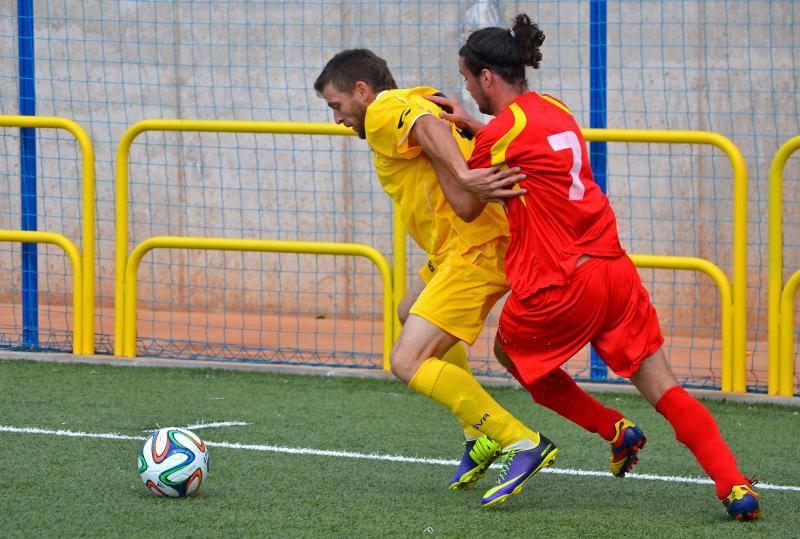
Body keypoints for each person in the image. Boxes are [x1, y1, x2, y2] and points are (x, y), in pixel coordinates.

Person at [428, 14, 762, 521]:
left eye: (467, 80)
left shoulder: (499, 134)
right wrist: (473, 126)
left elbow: (466, 206)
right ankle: (734, 485)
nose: (467, 90)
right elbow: (523, 144)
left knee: (509, 353)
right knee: (665, 388)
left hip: (561, 283)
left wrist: (436, 148)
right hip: (613, 270)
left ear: (487, 77)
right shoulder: (555, 109)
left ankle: (612, 427)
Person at [313, 49, 558, 507]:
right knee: (408, 311)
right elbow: (431, 126)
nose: (337, 119)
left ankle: (520, 441)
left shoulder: (383, 109)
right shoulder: (412, 98)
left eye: (337, 106)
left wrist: (465, 176)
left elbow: (427, 126)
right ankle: (478, 433)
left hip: (476, 248)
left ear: (362, 91)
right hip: (458, 247)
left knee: (406, 361)